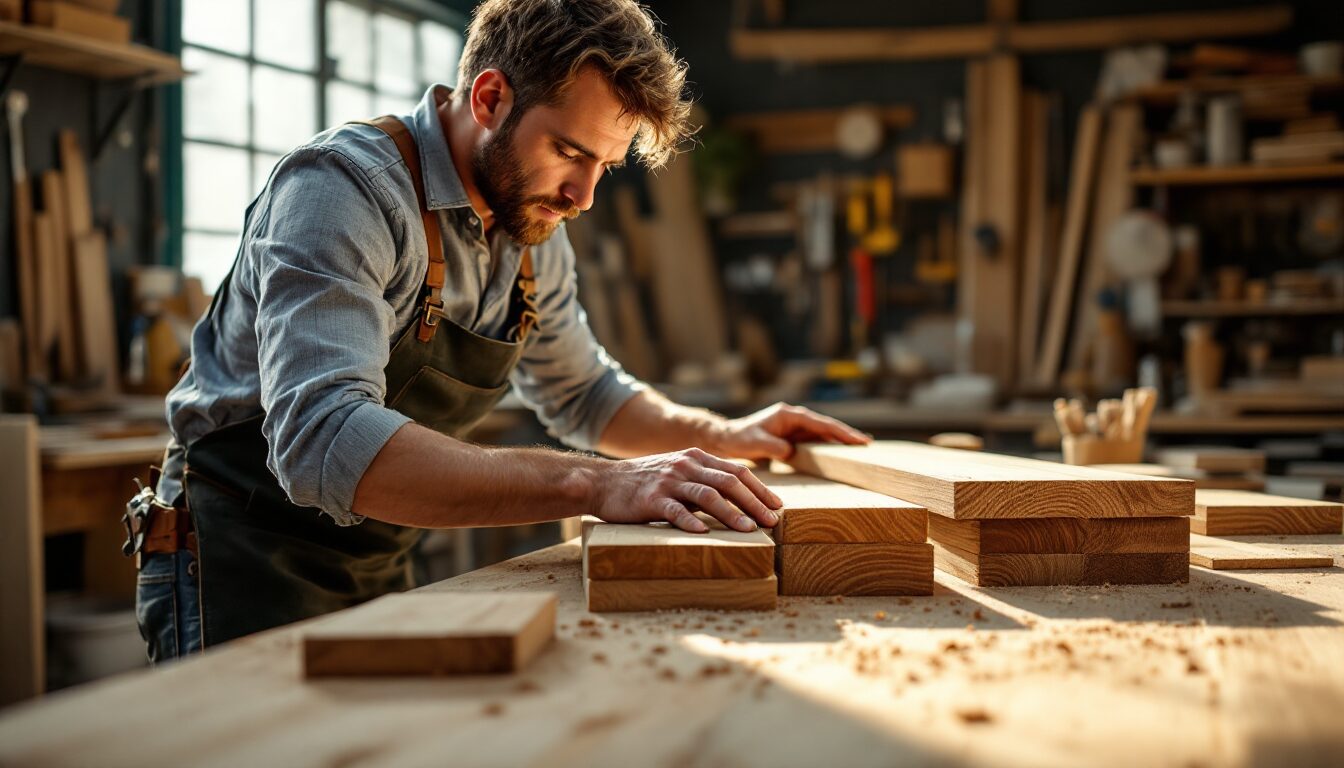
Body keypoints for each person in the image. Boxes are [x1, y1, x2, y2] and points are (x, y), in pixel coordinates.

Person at [128, 0, 869, 662]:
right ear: (489, 97)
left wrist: (726, 435)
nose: (583, 196)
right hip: (238, 561)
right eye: (571, 153)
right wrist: (598, 482)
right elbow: (326, 442)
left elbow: (584, 394)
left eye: (606, 166)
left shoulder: (528, 221)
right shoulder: (341, 191)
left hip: (377, 557)